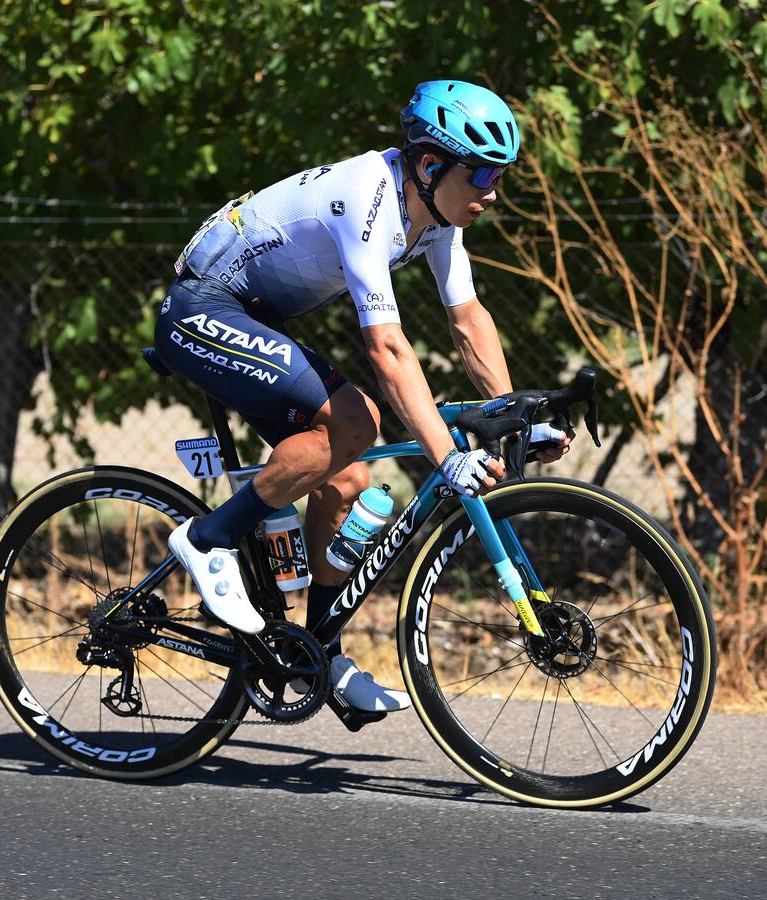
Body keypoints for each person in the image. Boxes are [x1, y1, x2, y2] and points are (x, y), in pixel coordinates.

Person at [154, 80, 572, 713]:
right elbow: (388, 350)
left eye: (500, 176)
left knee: (343, 484)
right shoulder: (367, 198)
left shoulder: (435, 215)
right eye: (483, 173)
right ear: (430, 165)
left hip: (256, 316)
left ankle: (313, 652)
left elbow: (468, 321)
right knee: (359, 420)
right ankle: (209, 539)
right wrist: (446, 459)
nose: (492, 191)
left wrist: (512, 417)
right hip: (201, 307)